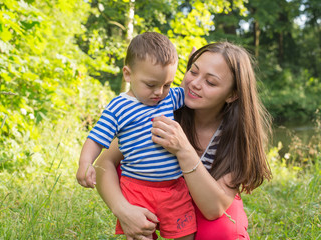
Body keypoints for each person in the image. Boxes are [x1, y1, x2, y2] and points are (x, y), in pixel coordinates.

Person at [95, 42, 272, 240]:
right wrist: (124, 211)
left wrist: (183, 149)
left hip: (206, 201)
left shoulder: (237, 135)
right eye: (193, 72)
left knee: (223, 233)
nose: (195, 83)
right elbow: (104, 164)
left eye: (210, 82)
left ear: (232, 94)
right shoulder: (162, 108)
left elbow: (214, 209)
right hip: (153, 192)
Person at [76, 32, 196, 240]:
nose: (159, 92)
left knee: (186, 235)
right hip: (137, 189)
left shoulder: (169, 99)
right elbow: (96, 138)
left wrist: (192, 67)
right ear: (128, 74)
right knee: (139, 235)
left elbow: (190, 89)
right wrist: (85, 163)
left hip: (174, 188)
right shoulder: (119, 107)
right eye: (151, 85)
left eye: (167, 84)